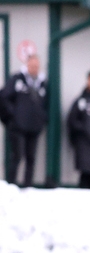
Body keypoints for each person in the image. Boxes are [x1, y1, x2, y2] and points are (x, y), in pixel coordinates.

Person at [0, 54, 48, 187]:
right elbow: (3, 97)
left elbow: (46, 105)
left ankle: (28, 186)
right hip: (17, 127)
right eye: (32, 66)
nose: (34, 69)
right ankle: (11, 186)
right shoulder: (17, 80)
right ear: (27, 65)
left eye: (36, 66)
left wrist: (42, 118)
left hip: (34, 127)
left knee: (31, 158)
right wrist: (13, 115)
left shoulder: (42, 83)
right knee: (17, 156)